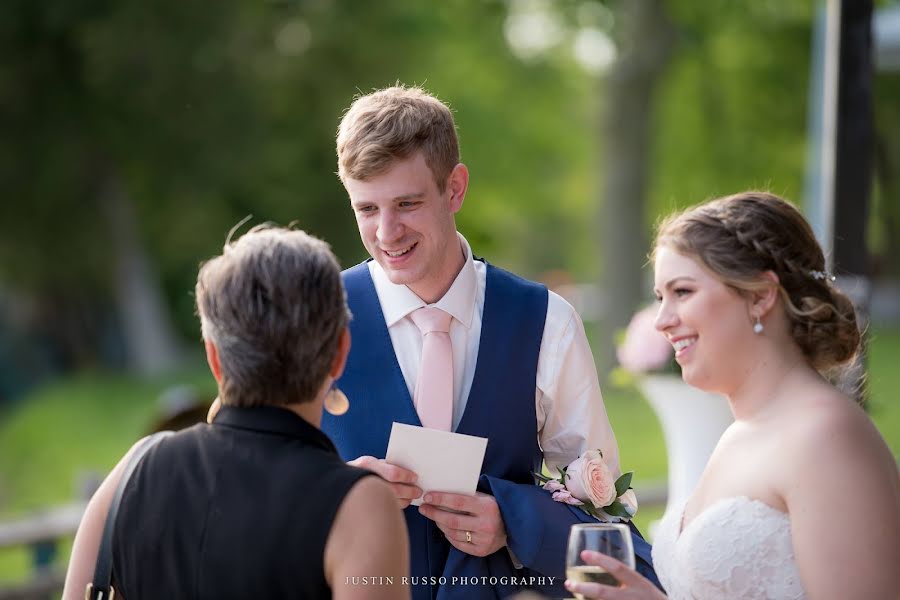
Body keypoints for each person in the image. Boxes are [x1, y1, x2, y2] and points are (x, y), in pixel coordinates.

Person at [320, 84, 658, 600]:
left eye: (407, 204)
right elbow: (253, 494)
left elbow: (606, 518)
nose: (387, 232)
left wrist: (516, 523)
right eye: (367, 209)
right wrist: (335, 494)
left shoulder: (546, 321)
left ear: (454, 188)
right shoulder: (317, 316)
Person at [565, 192, 900, 600]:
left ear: (760, 296)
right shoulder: (739, 432)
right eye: (659, 297)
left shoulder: (826, 435)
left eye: (683, 292)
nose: (662, 321)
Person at [62, 226, 410, 600]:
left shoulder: (133, 471)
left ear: (214, 358)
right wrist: (345, 500)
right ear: (340, 353)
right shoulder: (360, 510)